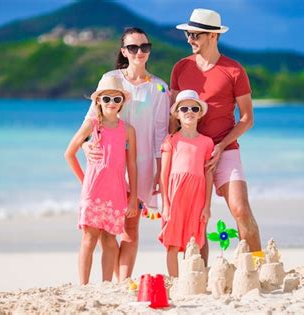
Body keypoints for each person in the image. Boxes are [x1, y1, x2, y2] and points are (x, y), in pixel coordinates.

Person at [170, 8, 263, 264]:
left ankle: (258, 266)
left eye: (195, 34)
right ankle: (200, 273)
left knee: (241, 210)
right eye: (188, 34)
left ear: (213, 36)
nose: (190, 39)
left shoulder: (234, 70)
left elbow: (247, 118)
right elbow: (173, 115)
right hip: (191, 152)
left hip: (226, 149)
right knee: (197, 217)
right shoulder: (181, 68)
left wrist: (221, 146)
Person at [82, 27, 170, 281]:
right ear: (124, 51)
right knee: (104, 226)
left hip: (141, 166)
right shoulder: (110, 78)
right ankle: (105, 280)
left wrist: (159, 172)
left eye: (144, 47)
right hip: (107, 164)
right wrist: (87, 145)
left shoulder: (160, 88)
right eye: (133, 48)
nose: (139, 52)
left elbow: (160, 134)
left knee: (130, 226)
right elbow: (91, 119)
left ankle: (122, 283)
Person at [64, 76, 138, 285]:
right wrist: (83, 180)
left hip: (117, 193)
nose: (111, 103)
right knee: (89, 238)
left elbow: (132, 165)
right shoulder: (92, 125)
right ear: (99, 101)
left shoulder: (128, 130)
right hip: (93, 192)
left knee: (110, 239)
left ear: (122, 102)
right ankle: (84, 286)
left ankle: (106, 285)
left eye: (116, 99)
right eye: (106, 99)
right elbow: (69, 153)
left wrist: (133, 197)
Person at [158, 89, 214, 277]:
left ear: (199, 113)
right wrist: (165, 204)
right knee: (172, 241)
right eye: (184, 109)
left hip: (197, 195)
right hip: (175, 195)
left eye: (193, 108)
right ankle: (174, 281)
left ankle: (189, 280)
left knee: (193, 241)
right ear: (177, 115)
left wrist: (207, 206)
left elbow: (208, 175)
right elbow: (163, 175)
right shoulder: (171, 140)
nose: (189, 111)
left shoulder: (207, 143)